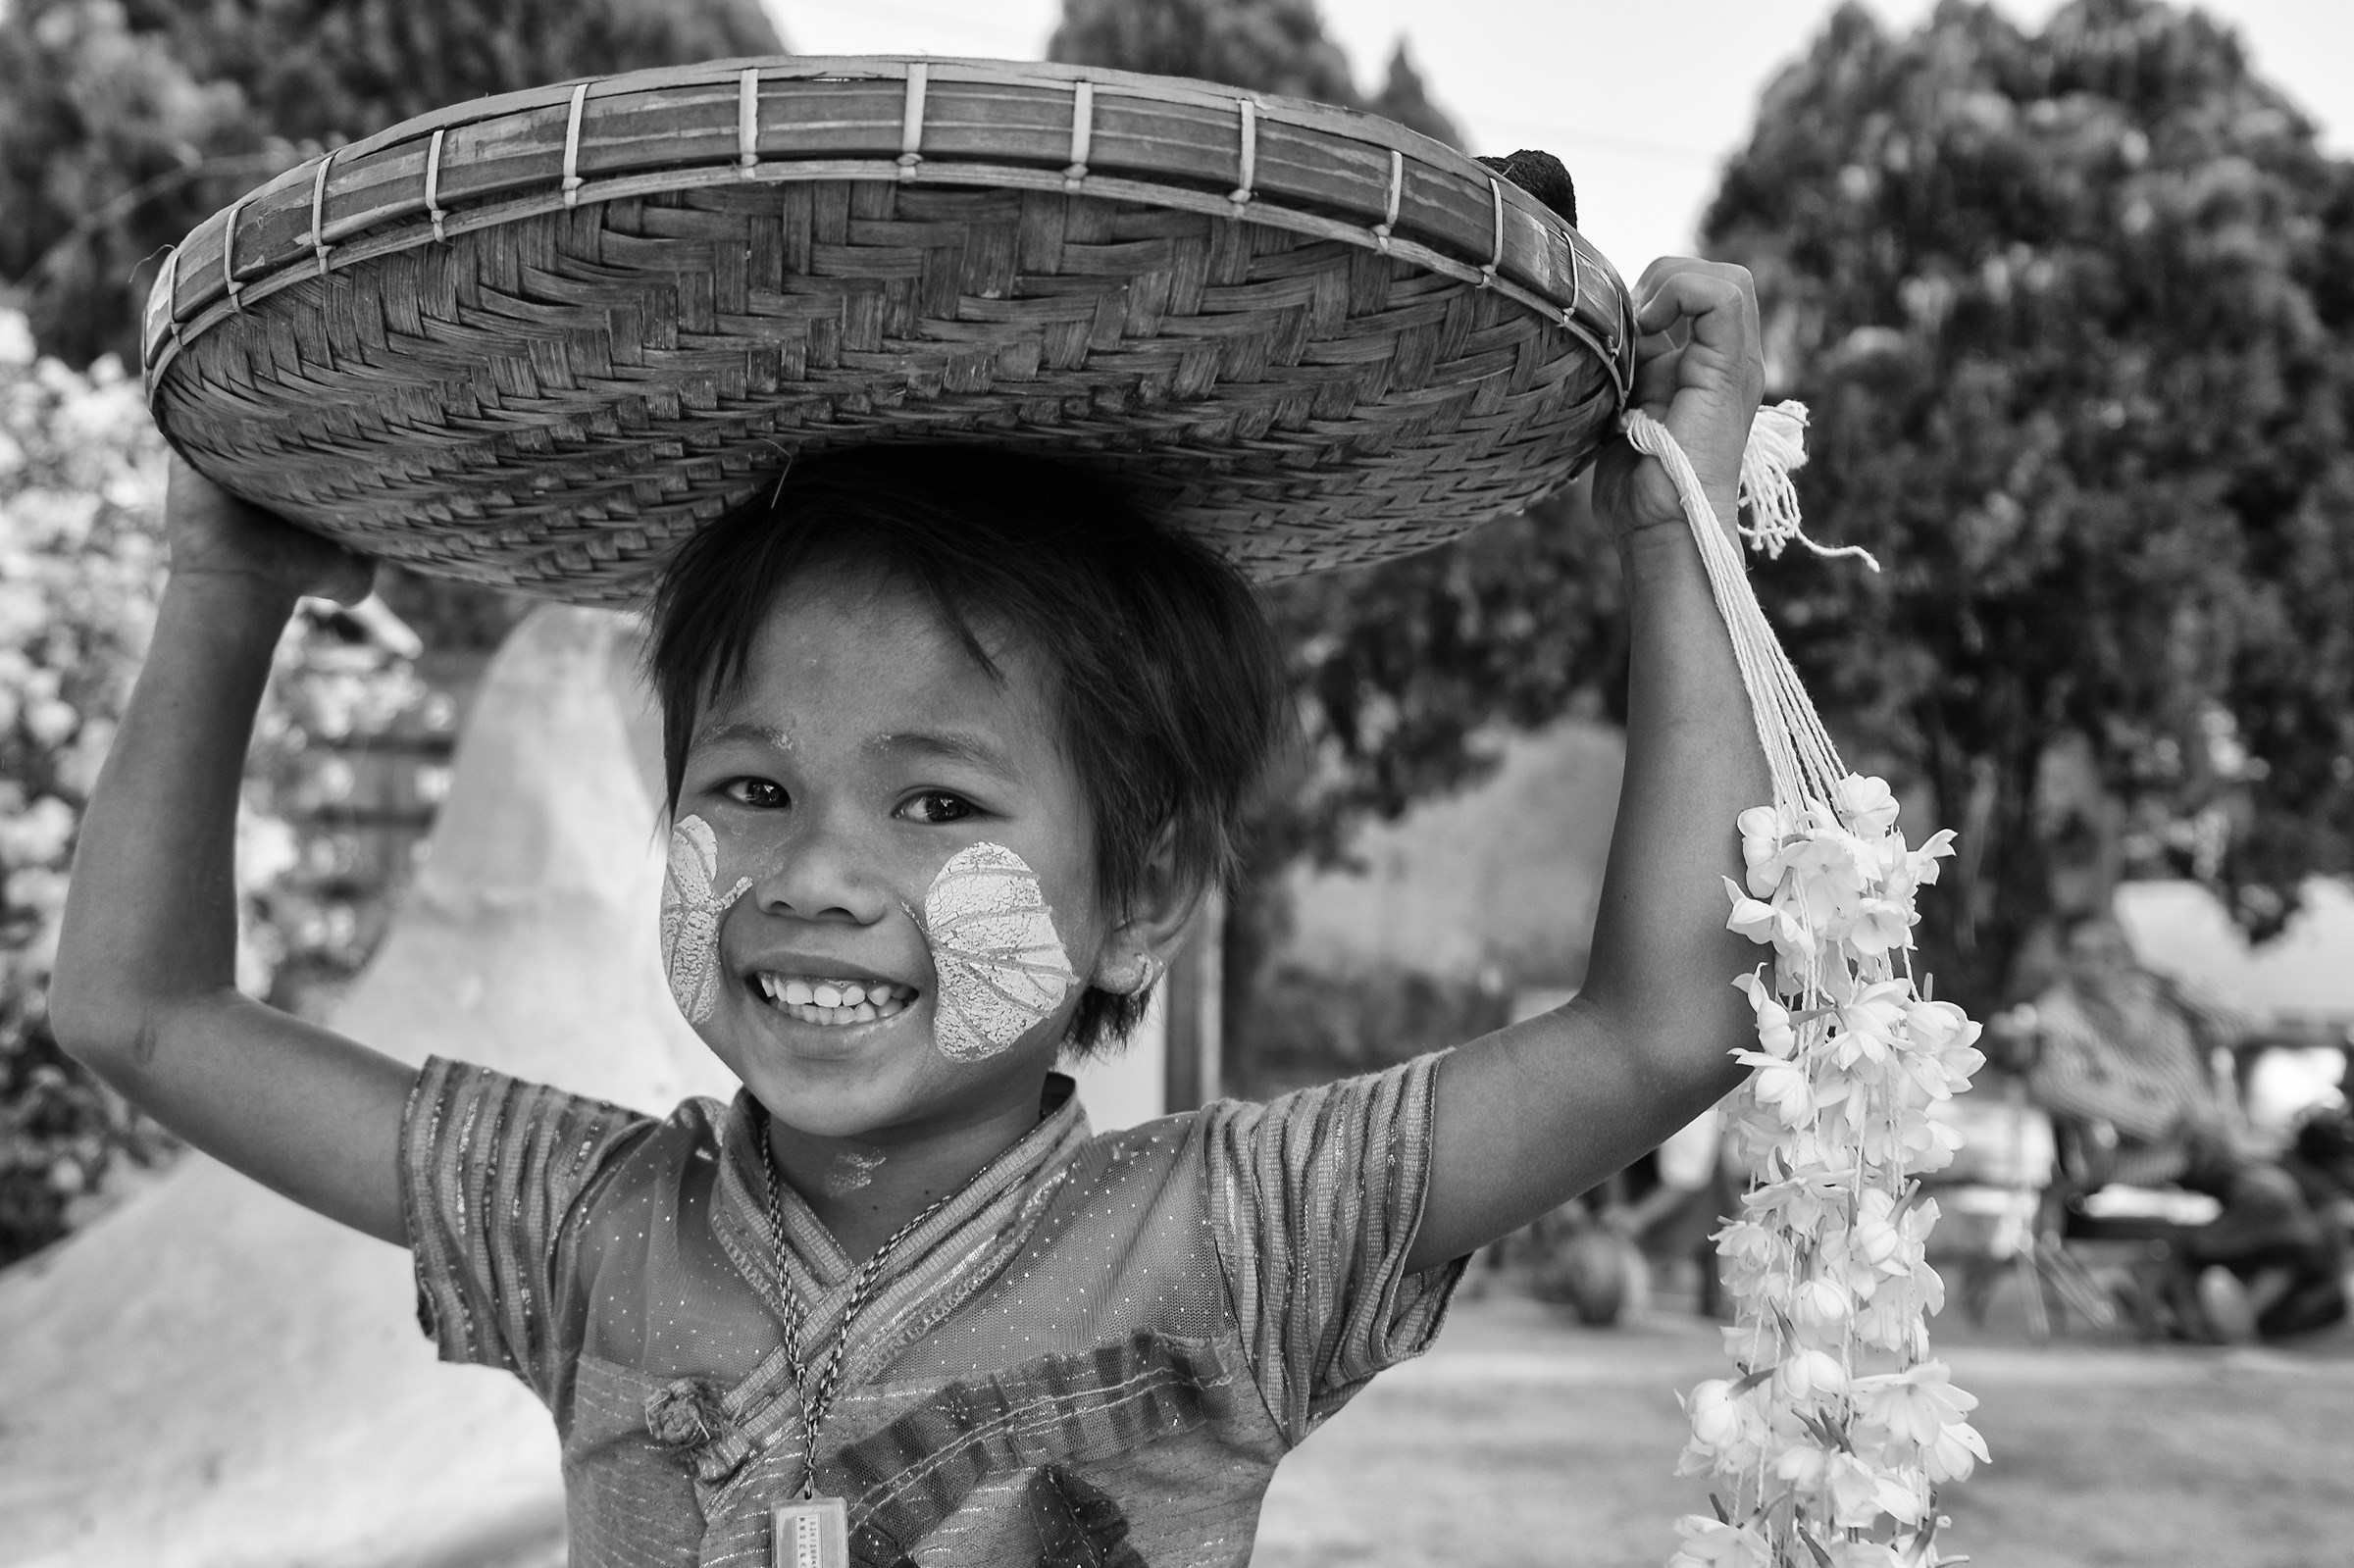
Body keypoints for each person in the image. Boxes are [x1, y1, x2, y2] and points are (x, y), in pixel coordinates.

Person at [53, 252, 1768, 1563]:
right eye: (749, 786)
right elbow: (139, 1012)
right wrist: (223, 593)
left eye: (938, 801)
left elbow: (1659, 1033)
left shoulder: (1241, 1236)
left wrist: (1681, 536)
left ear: (1143, 894)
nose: (812, 875)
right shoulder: (578, 1224)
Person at [2027, 912, 2345, 1340]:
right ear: (2064, 961)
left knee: (2324, 1202)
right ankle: (2197, 1288)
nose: (2103, 964)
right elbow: (2057, 1086)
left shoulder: (2159, 995)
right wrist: (2168, 1117)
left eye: (2113, 951)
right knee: (2276, 1196)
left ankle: (2218, 1308)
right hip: (2143, 1160)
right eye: (2087, 955)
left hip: (2217, 1147)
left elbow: (2245, 1022)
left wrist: (2179, 985)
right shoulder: (2057, 1018)